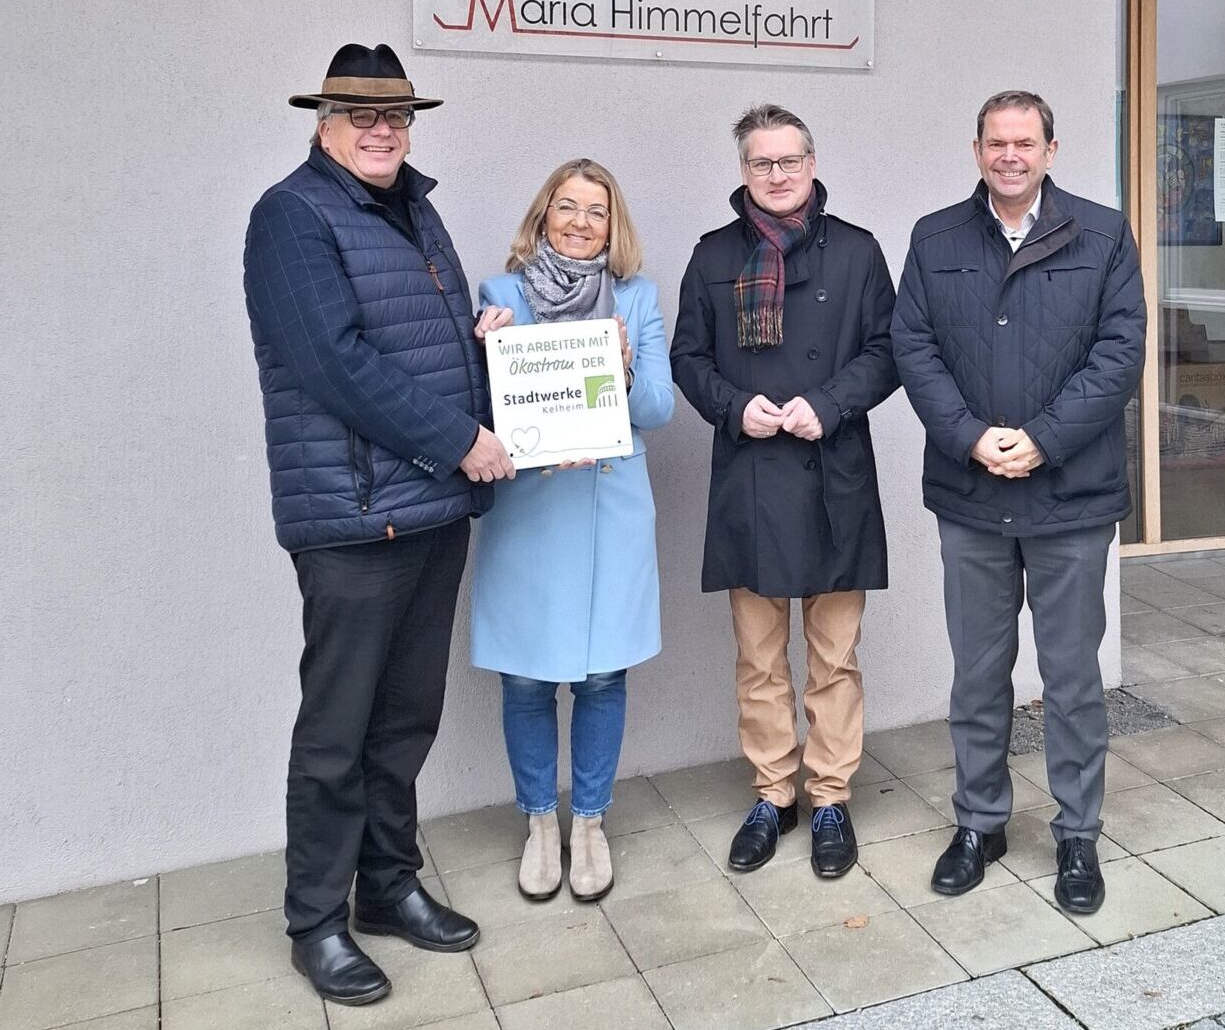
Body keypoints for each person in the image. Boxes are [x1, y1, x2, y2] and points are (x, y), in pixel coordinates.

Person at [243, 43, 512, 1006]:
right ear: (322, 123)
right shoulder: (292, 216)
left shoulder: (414, 210)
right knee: (336, 734)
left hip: (429, 510)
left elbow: (419, 347)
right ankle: (314, 920)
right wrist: (461, 438)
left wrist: (484, 352)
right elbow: (335, 363)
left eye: (395, 117)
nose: (380, 130)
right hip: (354, 520)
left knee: (403, 721)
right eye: (360, 117)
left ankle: (386, 886)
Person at [891, 90, 1146, 911]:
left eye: (1024, 142)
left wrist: (1041, 437)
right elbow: (913, 346)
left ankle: (1077, 836)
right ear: (976, 151)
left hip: (1071, 492)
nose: (1010, 155)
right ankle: (980, 821)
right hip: (971, 494)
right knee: (978, 672)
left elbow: (1120, 350)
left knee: (1071, 677)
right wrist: (969, 435)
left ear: (1050, 149)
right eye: (996, 142)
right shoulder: (935, 237)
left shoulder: (1103, 233)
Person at [671, 104, 898, 879]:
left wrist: (827, 405)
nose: (777, 175)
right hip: (752, 475)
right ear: (743, 171)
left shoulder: (860, 253)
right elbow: (687, 358)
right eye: (762, 163)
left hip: (833, 471)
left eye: (789, 160)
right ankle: (774, 794)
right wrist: (737, 408)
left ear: (811, 160)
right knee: (759, 660)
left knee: (834, 657)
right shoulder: (712, 256)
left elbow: (888, 351)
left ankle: (830, 796)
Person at [469, 159, 674, 903]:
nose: (581, 222)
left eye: (597, 210)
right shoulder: (501, 294)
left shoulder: (638, 300)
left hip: (610, 506)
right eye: (567, 206)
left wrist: (620, 368)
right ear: (543, 212)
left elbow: (657, 407)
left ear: (613, 225)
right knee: (525, 674)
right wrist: (480, 351)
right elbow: (483, 408)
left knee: (601, 673)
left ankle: (588, 822)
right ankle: (537, 824)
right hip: (529, 509)